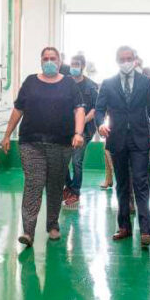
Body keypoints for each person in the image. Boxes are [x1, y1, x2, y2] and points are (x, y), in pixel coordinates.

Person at [1, 47, 86, 247]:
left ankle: (53, 225)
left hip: (61, 143)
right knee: (34, 184)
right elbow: (18, 109)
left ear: (59, 62)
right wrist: (7, 134)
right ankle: (28, 231)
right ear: (41, 61)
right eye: (45, 58)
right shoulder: (31, 82)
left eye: (53, 58)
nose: (49, 61)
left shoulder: (69, 84)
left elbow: (79, 109)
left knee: (55, 185)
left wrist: (78, 133)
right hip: (31, 143)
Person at [94, 46, 150, 248]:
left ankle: (145, 230)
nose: (126, 62)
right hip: (117, 139)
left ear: (135, 60)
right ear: (117, 61)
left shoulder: (145, 82)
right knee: (122, 184)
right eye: (122, 59)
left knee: (141, 183)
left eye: (129, 58)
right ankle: (124, 226)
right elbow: (99, 110)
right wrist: (100, 125)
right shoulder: (108, 83)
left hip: (140, 140)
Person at [63, 54, 98, 209]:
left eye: (77, 64)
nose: (74, 67)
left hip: (85, 129)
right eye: (72, 64)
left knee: (76, 160)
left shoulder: (91, 86)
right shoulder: (65, 82)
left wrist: (81, 121)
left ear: (83, 66)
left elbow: (96, 109)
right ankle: (68, 187)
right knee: (63, 160)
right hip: (66, 128)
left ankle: (75, 192)